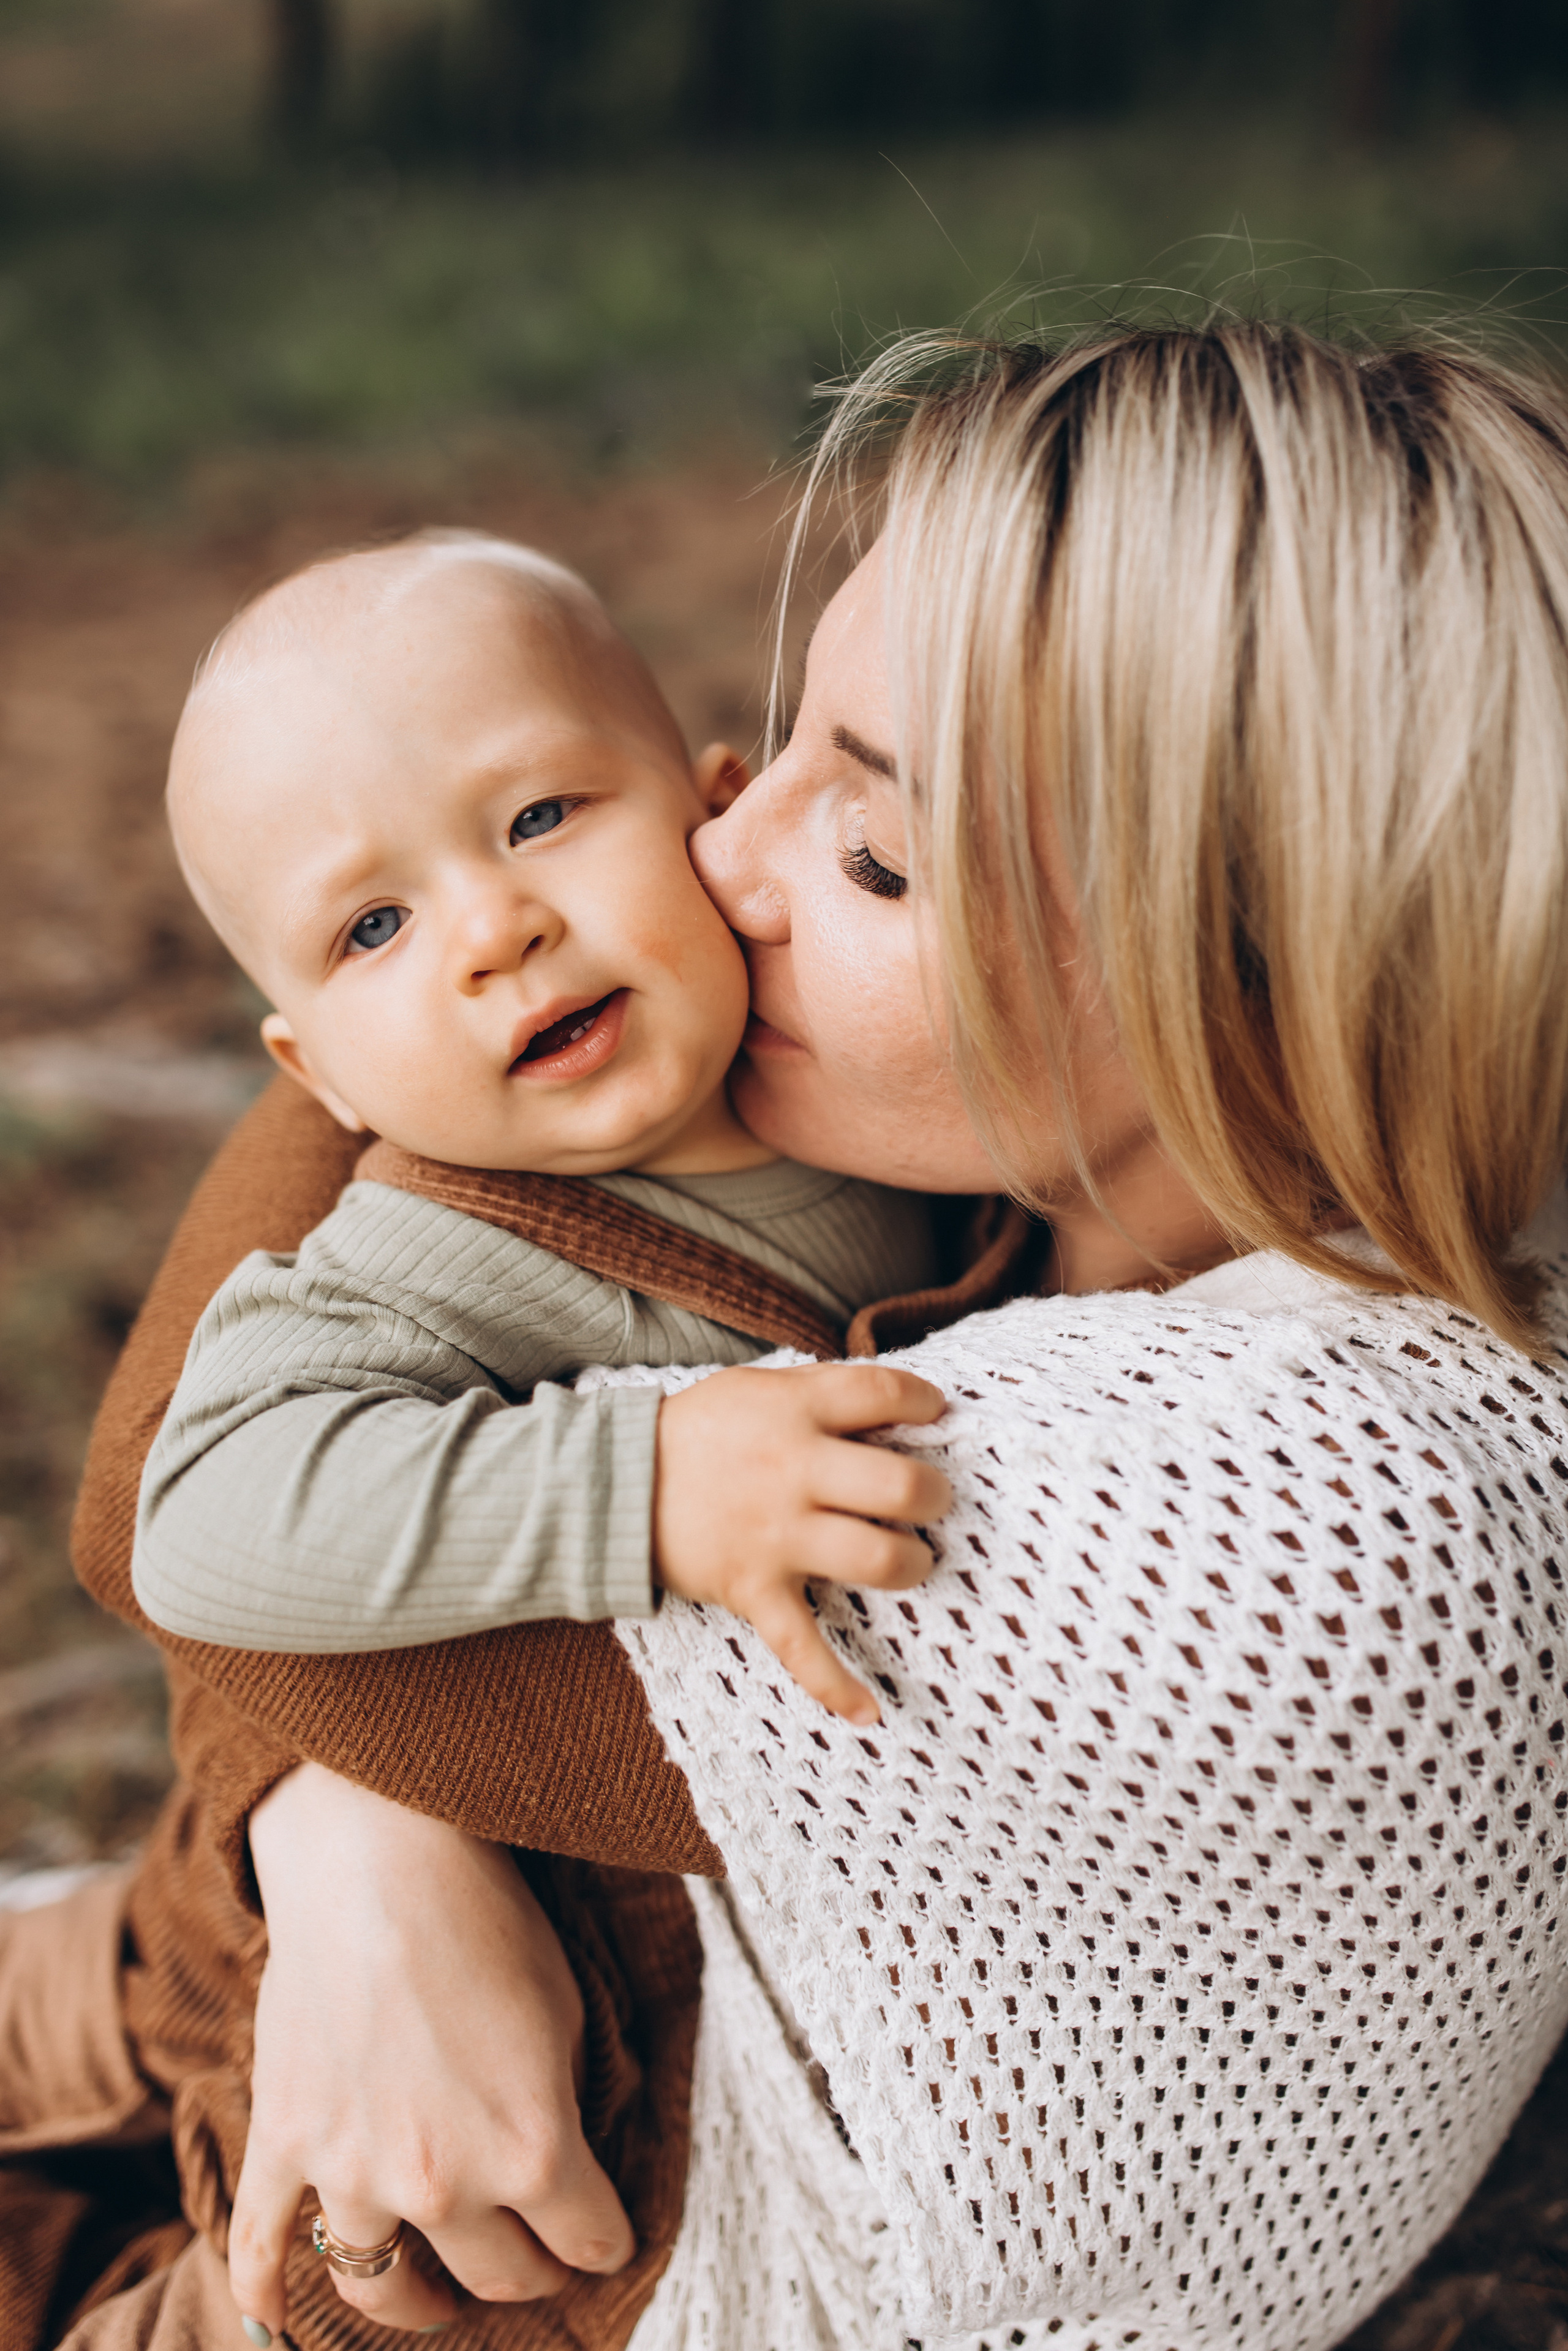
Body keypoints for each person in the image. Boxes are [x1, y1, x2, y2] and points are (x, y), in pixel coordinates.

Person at [6, 315, 1567, 2351]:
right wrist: (351, 1841)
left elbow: (202, 1533)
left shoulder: (1249, 1524)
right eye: (781, 743)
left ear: (1255, 977)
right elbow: (243, 1426)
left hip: (515, 2231)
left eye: (873, 852)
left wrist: (354, 1807)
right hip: (324, 2001)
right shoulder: (1016, 1178)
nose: (718, 845)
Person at [133, 528, 951, 1722]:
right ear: (322, 1076)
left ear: (719, 811)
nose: (494, 931)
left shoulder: (894, 1059)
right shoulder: (435, 1260)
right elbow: (201, 1516)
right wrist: (642, 1486)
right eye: (372, 926)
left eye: (538, 816)